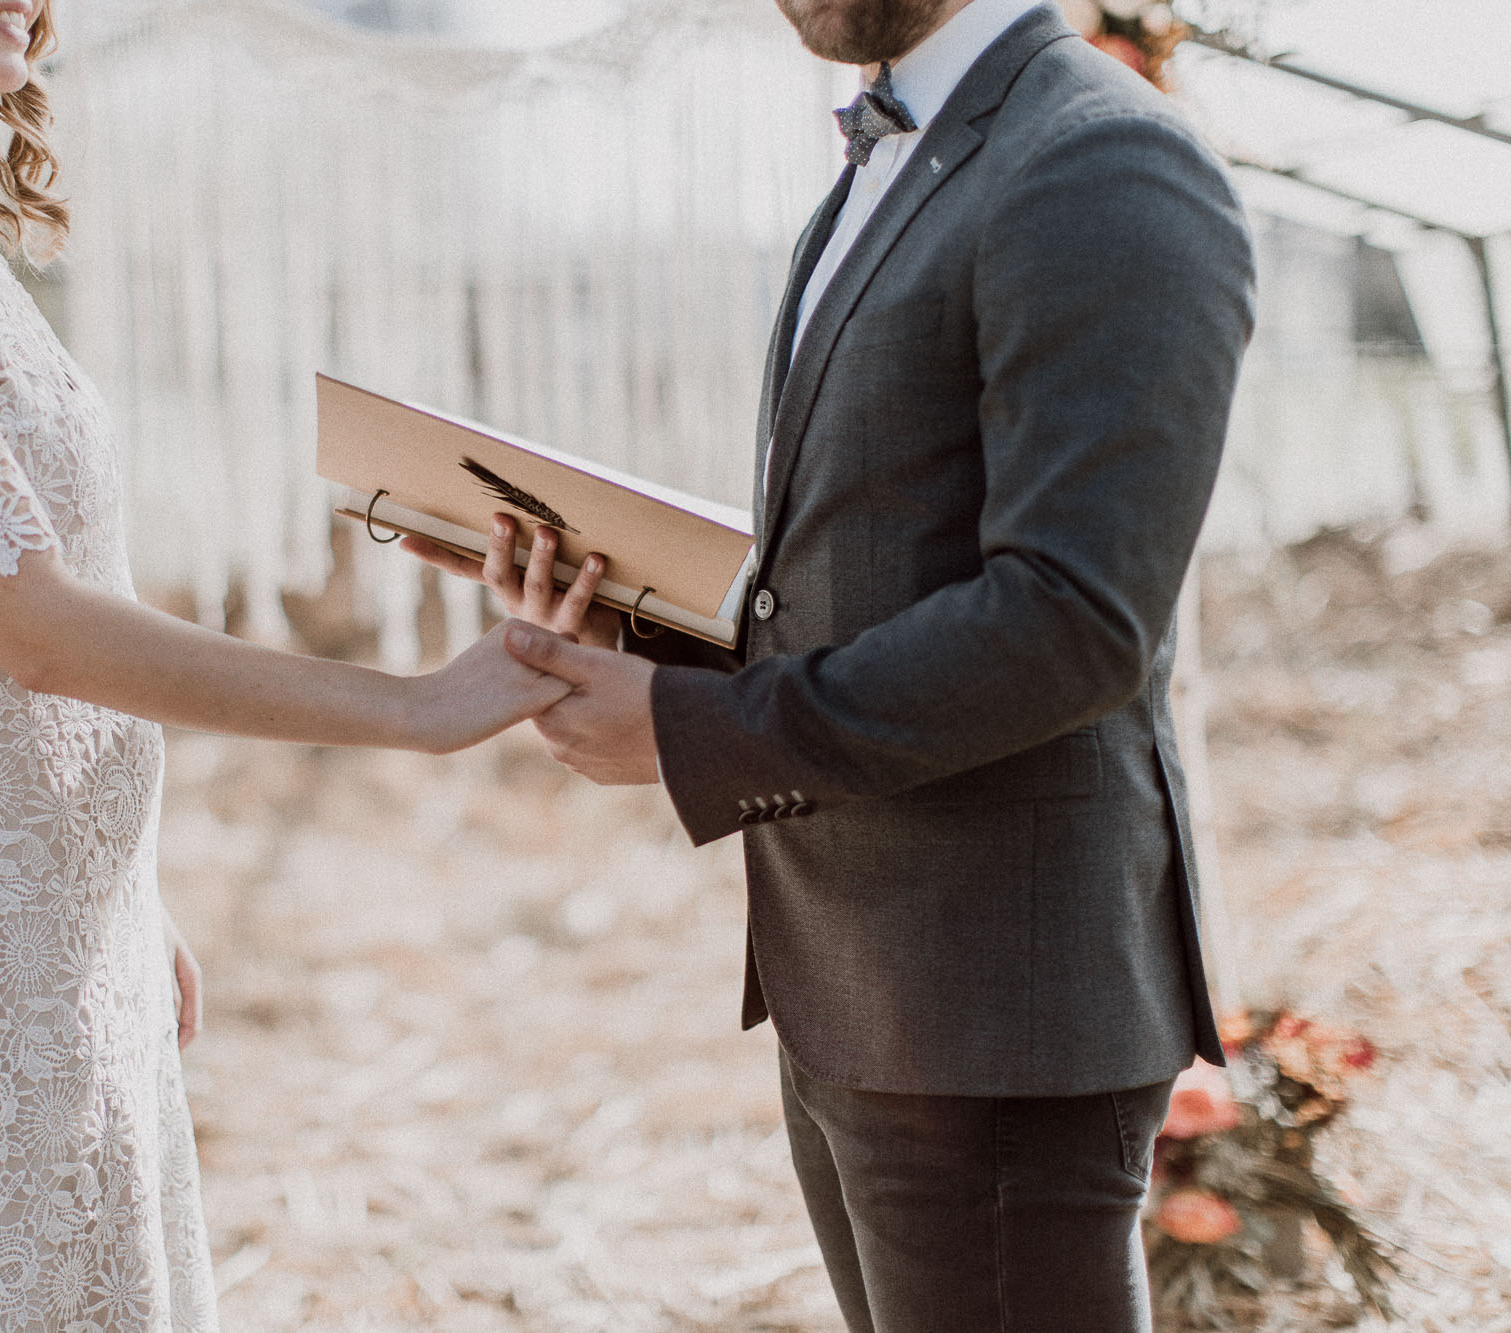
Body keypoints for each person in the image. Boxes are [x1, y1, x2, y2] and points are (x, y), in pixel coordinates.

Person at [0, 1, 586, 1328]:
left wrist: (131, 879)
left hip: (60, 910)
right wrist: (416, 708)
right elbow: (36, 630)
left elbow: (33, 607)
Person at [414, 0, 1257, 1327]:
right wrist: (629, 627)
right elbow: (880, 558)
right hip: (858, 973)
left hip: (998, 1006)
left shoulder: (1102, 159)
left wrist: (696, 729)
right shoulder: (896, 153)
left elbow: (1072, 617)